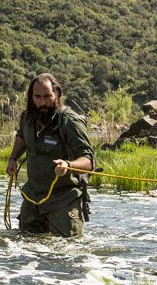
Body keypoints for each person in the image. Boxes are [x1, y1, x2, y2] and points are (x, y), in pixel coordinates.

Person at [5, 73, 95, 237]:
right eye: (37, 97)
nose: (42, 102)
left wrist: (68, 165)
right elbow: (22, 136)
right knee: (24, 245)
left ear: (57, 94)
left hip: (64, 200)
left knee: (68, 249)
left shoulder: (70, 121)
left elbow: (89, 161)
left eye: (47, 96)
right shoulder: (27, 118)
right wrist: (13, 159)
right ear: (31, 97)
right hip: (32, 199)